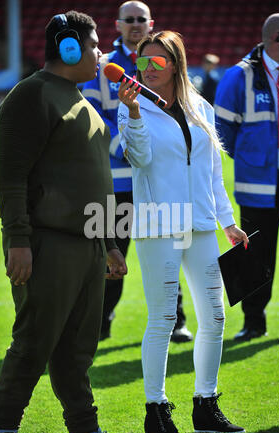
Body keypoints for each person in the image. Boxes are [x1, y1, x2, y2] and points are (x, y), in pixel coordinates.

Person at [0, 11, 137, 433]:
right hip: (47, 242)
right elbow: (11, 175)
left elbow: (94, 179)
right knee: (34, 343)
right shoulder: (32, 95)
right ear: (67, 48)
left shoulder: (82, 101)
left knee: (77, 350)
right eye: (93, 45)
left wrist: (109, 242)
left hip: (90, 245)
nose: (99, 53)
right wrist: (18, 240)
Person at [117, 30, 248, 433]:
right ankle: (155, 411)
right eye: (142, 62)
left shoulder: (201, 107)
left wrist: (227, 221)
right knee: (163, 318)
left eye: (156, 62)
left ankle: (205, 405)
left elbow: (212, 173)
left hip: (203, 224)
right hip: (159, 224)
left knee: (214, 317)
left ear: (175, 64)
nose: (147, 70)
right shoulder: (130, 106)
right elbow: (138, 157)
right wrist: (134, 114)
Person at [82, 1, 193, 343]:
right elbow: (92, 114)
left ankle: (175, 321)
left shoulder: (165, 64)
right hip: (115, 179)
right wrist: (125, 148)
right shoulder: (103, 66)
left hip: (159, 179)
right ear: (117, 24)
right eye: (128, 20)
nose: (135, 24)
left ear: (151, 22)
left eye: (140, 19)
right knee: (109, 254)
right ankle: (99, 321)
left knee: (168, 251)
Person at [215, 13, 279, 342]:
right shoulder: (239, 76)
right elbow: (220, 132)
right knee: (255, 253)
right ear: (278, 39)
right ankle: (253, 322)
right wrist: (252, 159)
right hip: (257, 180)